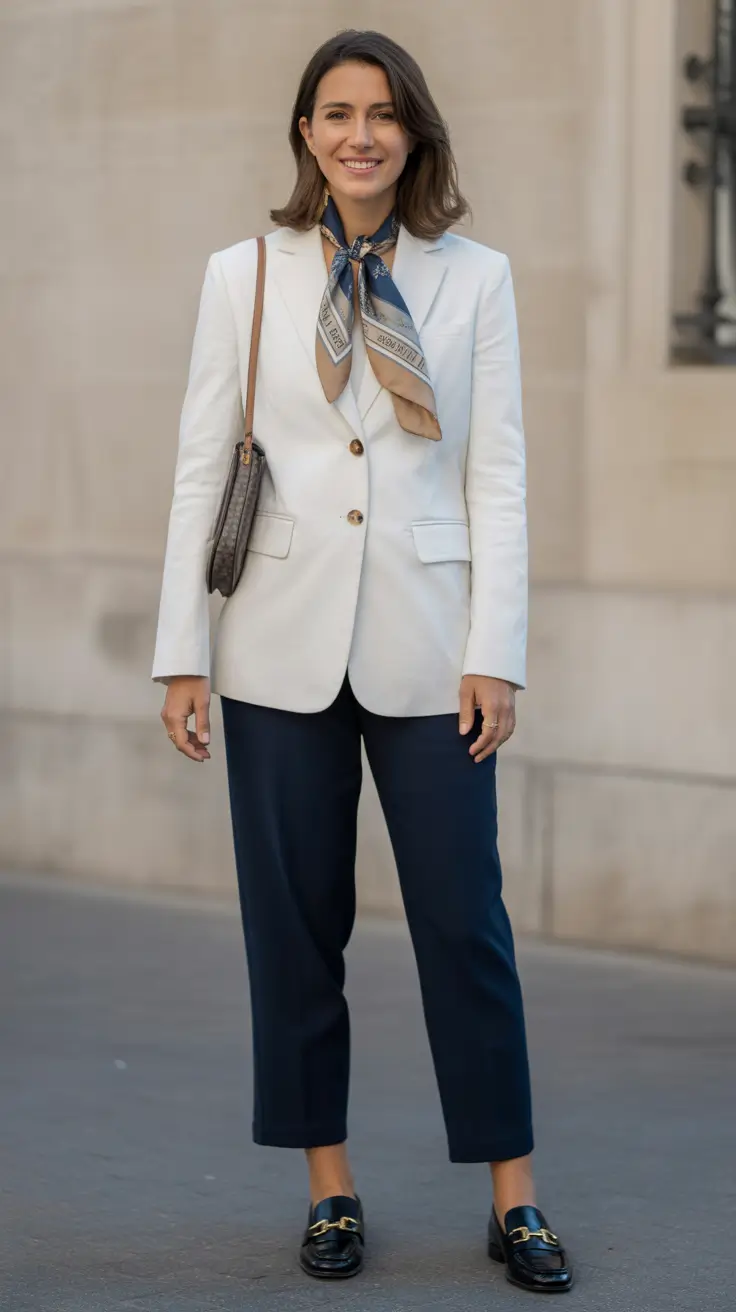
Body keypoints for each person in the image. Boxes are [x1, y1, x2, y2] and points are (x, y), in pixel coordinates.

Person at [151, 28, 573, 1294]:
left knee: (465, 924)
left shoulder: (473, 277)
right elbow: (197, 465)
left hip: (430, 648)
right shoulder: (246, 274)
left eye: (382, 114)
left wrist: (493, 651)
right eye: (335, 112)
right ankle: (329, 1187)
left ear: (415, 132)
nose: (359, 134)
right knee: (294, 930)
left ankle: (515, 1198)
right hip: (274, 645)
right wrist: (183, 652)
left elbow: (494, 471)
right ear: (302, 133)